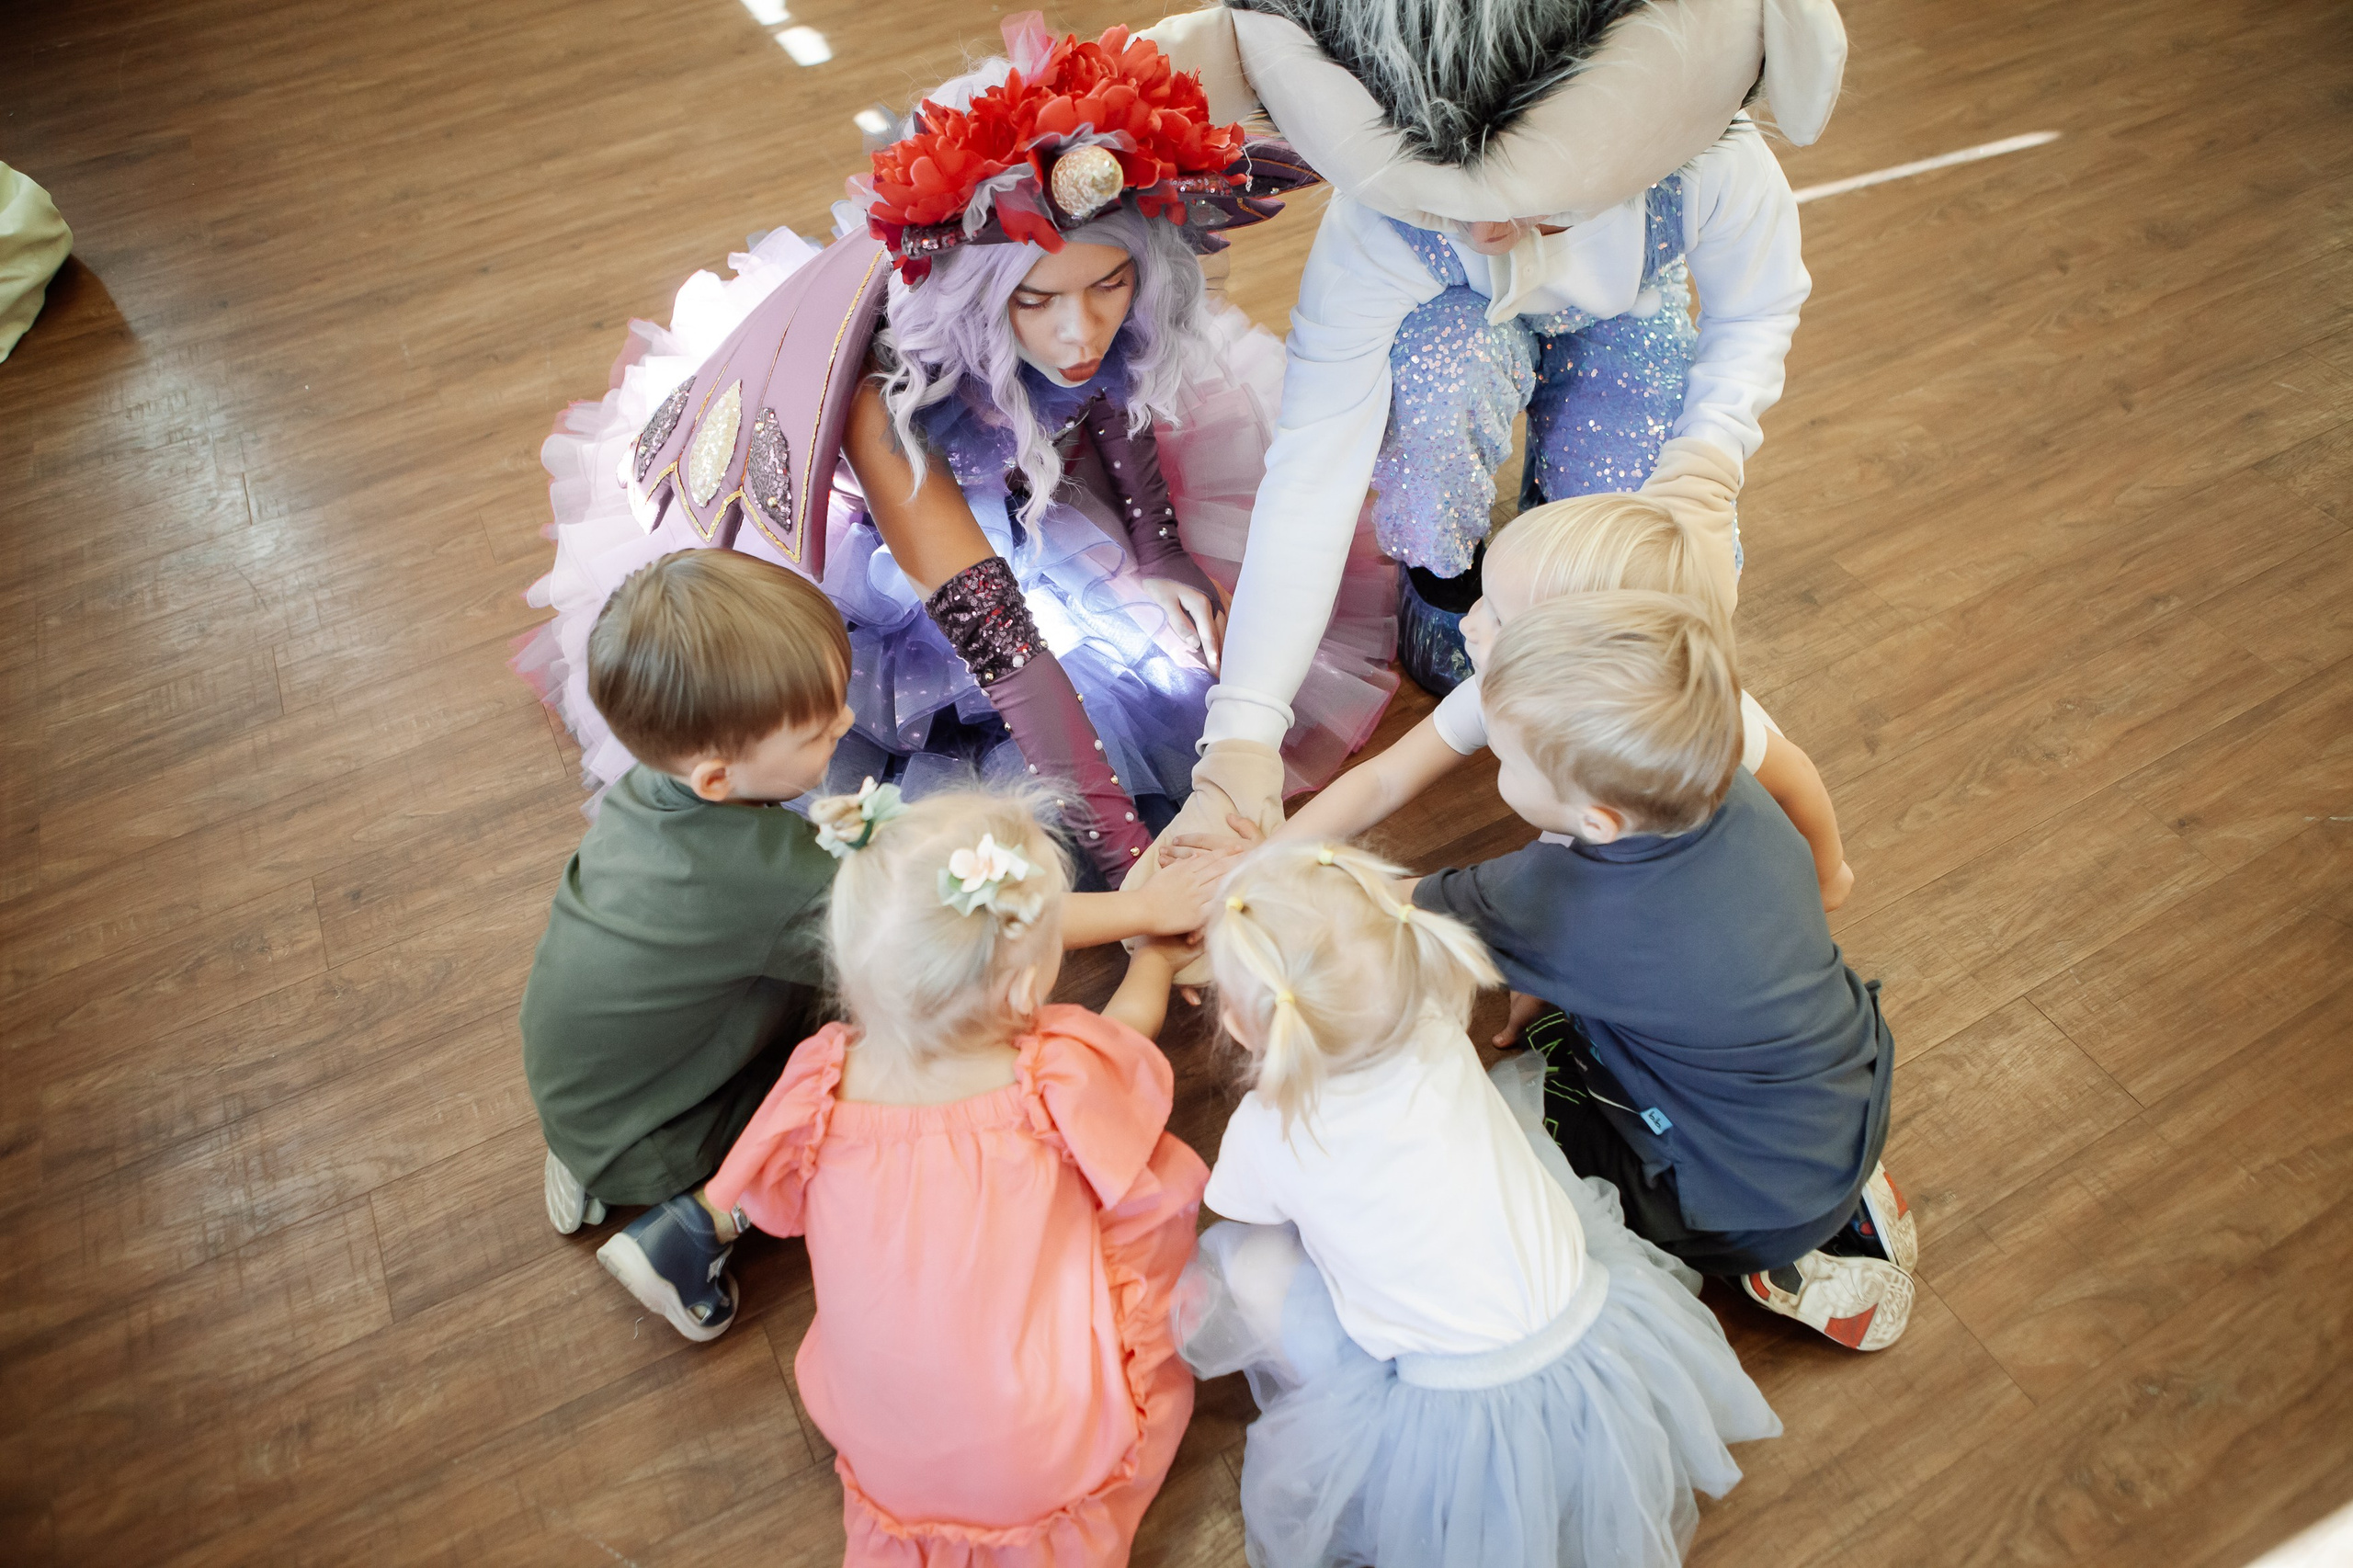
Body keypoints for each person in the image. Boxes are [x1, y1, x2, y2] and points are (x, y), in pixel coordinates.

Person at [516, 16, 1398, 890]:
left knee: (1178, 634)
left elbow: (1108, 391)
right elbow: (1003, 644)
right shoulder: (875, 398)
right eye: (1037, 300)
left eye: (1111, 284)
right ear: (981, 296)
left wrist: (1157, 542)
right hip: (899, 523)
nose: (1079, 329)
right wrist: (1135, 874)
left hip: (1022, 467)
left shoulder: (1098, 318)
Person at [1123, 0, 1848, 852]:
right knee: (1439, 383)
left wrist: (1704, 463)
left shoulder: (1709, 171)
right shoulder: (1382, 235)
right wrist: (1242, 735)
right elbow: (1313, 467)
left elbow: (1757, 312)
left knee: (1635, 565)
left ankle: (1544, 546)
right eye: (1449, 211)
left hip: (1629, 320)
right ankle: (1448, 585)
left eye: (1541, 207)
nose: (1493, 232)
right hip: (1453, 320)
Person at [521, 551, 1231, 1342]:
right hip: (656, 1132)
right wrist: (1144, 908)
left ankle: (587, 1151)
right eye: (819, 726)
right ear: (719, 779)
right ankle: (687, 1232)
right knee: (872, 1067)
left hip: (583, 1085)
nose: (847, 724)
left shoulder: (652, 791)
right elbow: (982, 917)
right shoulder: (770, 881)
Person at [1178, 837, 1779, 1567]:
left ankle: (1330, 1392)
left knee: (1247, 1263)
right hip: (1590, 1332)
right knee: (1509, 1147)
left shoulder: (1266, 1128)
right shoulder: (1437, 1027)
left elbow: (1254, 1217)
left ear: (1240, 1026)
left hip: (1451, 1402)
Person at [702, 789, 1209, 1562]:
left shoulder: (818, 1083)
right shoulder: (1053, 1075)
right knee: (1143, 1189)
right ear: (1019, 989)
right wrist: (1159, 958)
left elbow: (771, 1205)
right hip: (1043, 1455)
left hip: (887, 1454)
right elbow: (1129, 1030)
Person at [1408, 593, 1916, 1350]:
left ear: (1598, 821)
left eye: (1507, 760)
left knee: (1520, 1134)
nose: (1498, 768)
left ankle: (1770, 1253)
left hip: (1741, 1208)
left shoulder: (1553, 899)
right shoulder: (1734, 791)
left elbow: (1387, 907)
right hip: (1852, 1089)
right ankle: (1831, 1196)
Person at [1281, 477, 1857, 909]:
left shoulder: (1705, 727)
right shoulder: (1501, 689)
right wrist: (1270, 858)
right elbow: (1384, 778)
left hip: (1685, 863)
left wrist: (1828, 875)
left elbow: (1796, 775)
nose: (1467, 623)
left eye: (1499, 619)